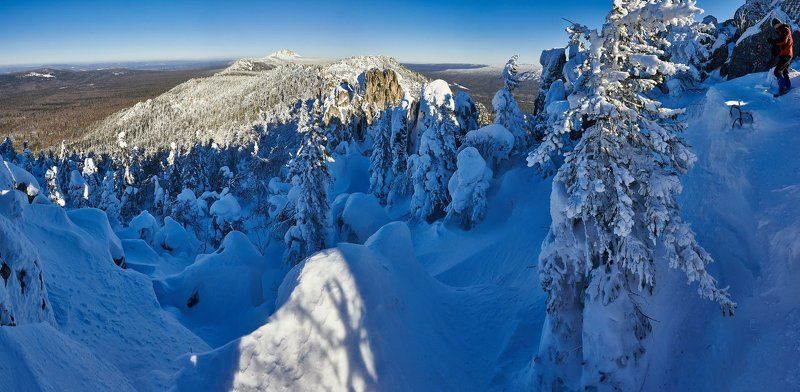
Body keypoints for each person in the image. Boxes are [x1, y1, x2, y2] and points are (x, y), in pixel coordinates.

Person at [768, 18, 794, 97]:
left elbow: (783, 41)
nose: (775, 27)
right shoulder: (783, 30)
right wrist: (775, 46)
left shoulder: (784, 29)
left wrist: (773, 41)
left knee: (777, 71)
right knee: (785, 71)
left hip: (786, 54)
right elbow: (783, 43)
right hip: (787, 54)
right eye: (774, 26)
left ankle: (783, 88)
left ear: (778, 23)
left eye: (775, 25)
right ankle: (787, 87)